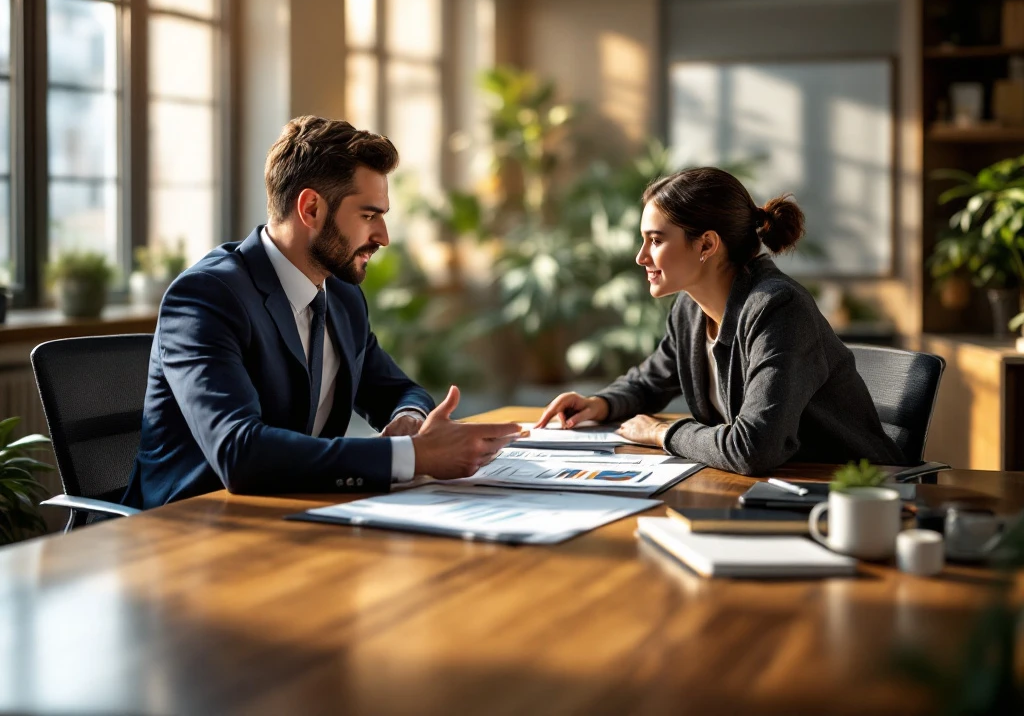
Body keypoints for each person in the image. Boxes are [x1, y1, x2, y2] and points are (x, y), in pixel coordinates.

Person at [124, 116, 522, 509]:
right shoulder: (207, 297)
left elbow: (396, 389)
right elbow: (239, 452)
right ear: (311, 208)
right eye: (369, 215)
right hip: (192, 529)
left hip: (296, 513)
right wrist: (414, 457)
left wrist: (410, 418)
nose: (382, 236)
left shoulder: (342, 295)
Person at [537, 167, 905, 475]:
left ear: (707, 245)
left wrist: (662, 433)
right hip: (767, 489)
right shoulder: (690, 309)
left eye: (655, 240)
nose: (640, 257)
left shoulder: (777, 308)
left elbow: (754, 447)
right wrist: (598, 404)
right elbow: (651, 381)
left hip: (847, 495)